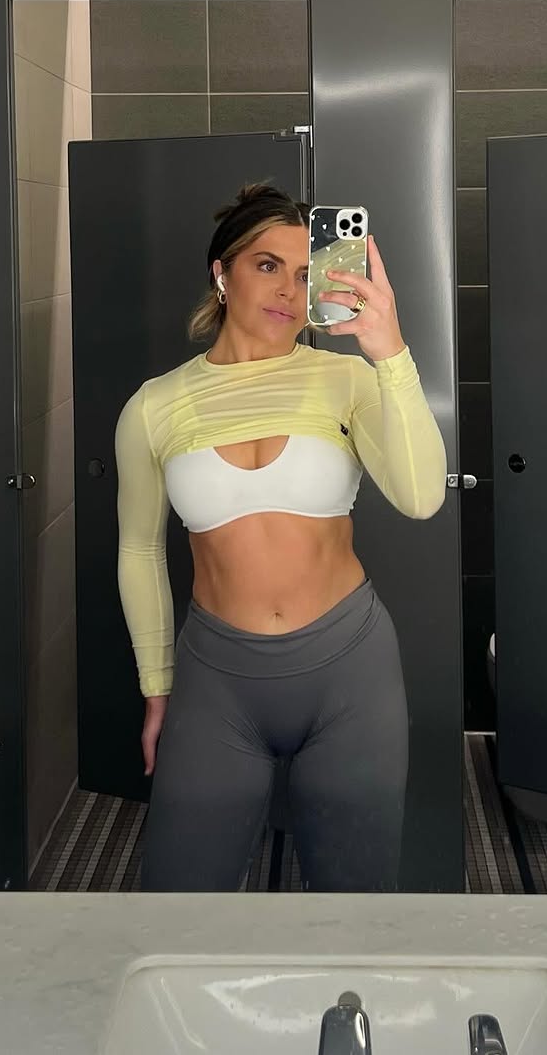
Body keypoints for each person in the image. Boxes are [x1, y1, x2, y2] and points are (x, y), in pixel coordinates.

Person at [114, 181, 446, 891]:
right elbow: (138, 551)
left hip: (350, 670)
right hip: (217, 679)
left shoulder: (347, 381)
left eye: (304, 273)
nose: (289, 292)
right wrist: (156, 686)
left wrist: (389, 350)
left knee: (355, 904)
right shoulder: (154, 406)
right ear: (222, 273)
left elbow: (421, 498)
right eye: (267, 265)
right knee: (178, 908)